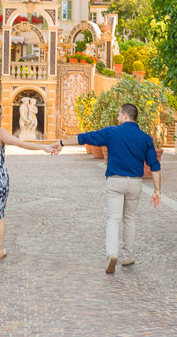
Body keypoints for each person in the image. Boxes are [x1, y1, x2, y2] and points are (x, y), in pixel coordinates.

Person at [56, 103, 161, 274]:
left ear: (125, 115)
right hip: (135, 183)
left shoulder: (112, 132)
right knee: (130, 219)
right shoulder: (145, 138)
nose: (118, 117)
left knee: (114, 218)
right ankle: (127, 256)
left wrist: (62, 142)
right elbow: (155, 165)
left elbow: (85, 138)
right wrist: (157, 191)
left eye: (119, 114)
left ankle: (112, 253)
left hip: (115, 181)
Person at [0, 102, 56, 269]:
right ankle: (0, 250)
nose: (1, 117)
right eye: (0, 114)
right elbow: (21, 143)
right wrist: (43, 147)